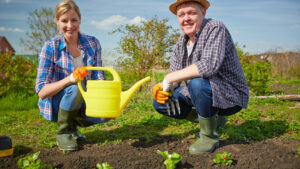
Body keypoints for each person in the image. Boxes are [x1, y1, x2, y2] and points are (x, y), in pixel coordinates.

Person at [153, 0, 249, 154]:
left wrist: (170, 77)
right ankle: (213, 121)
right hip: (201, 91)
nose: (186, 18)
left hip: (230, 94)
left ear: (203, 13)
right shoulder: (180, 43)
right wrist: (163, 87)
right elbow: (175, 76)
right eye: (181, 15)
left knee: (197, 83)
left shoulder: (215, 28)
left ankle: (209, 136)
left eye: (191, 13)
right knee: (161, 102)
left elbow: (209, 66)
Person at [35, 0, 108, 152]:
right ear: (57, 21)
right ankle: (64, 132)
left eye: (74, 20)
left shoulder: (93, 43)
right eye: (64, 21)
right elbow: (42, 91)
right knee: (75, 87)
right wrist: (71, 79)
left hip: (84, 98)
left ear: (80, 20)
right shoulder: (50, 47)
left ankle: (73, 127)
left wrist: (106, 98)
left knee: (105, 113)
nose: (70, 25)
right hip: (56, 103)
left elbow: (99, 76)